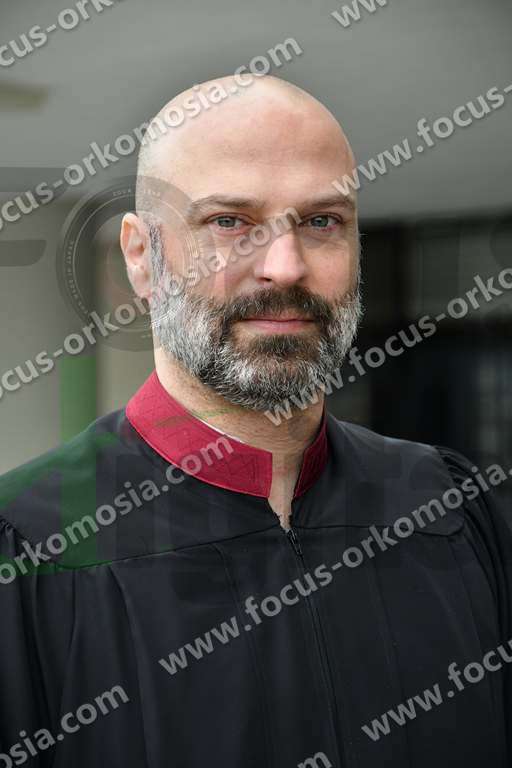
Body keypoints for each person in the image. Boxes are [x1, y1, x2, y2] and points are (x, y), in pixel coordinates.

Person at [0, 75, 511, 768]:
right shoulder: (32, 546)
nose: (285, 267)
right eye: (229, 222)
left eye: (322, 221)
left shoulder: (449, 507)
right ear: (142, 257)